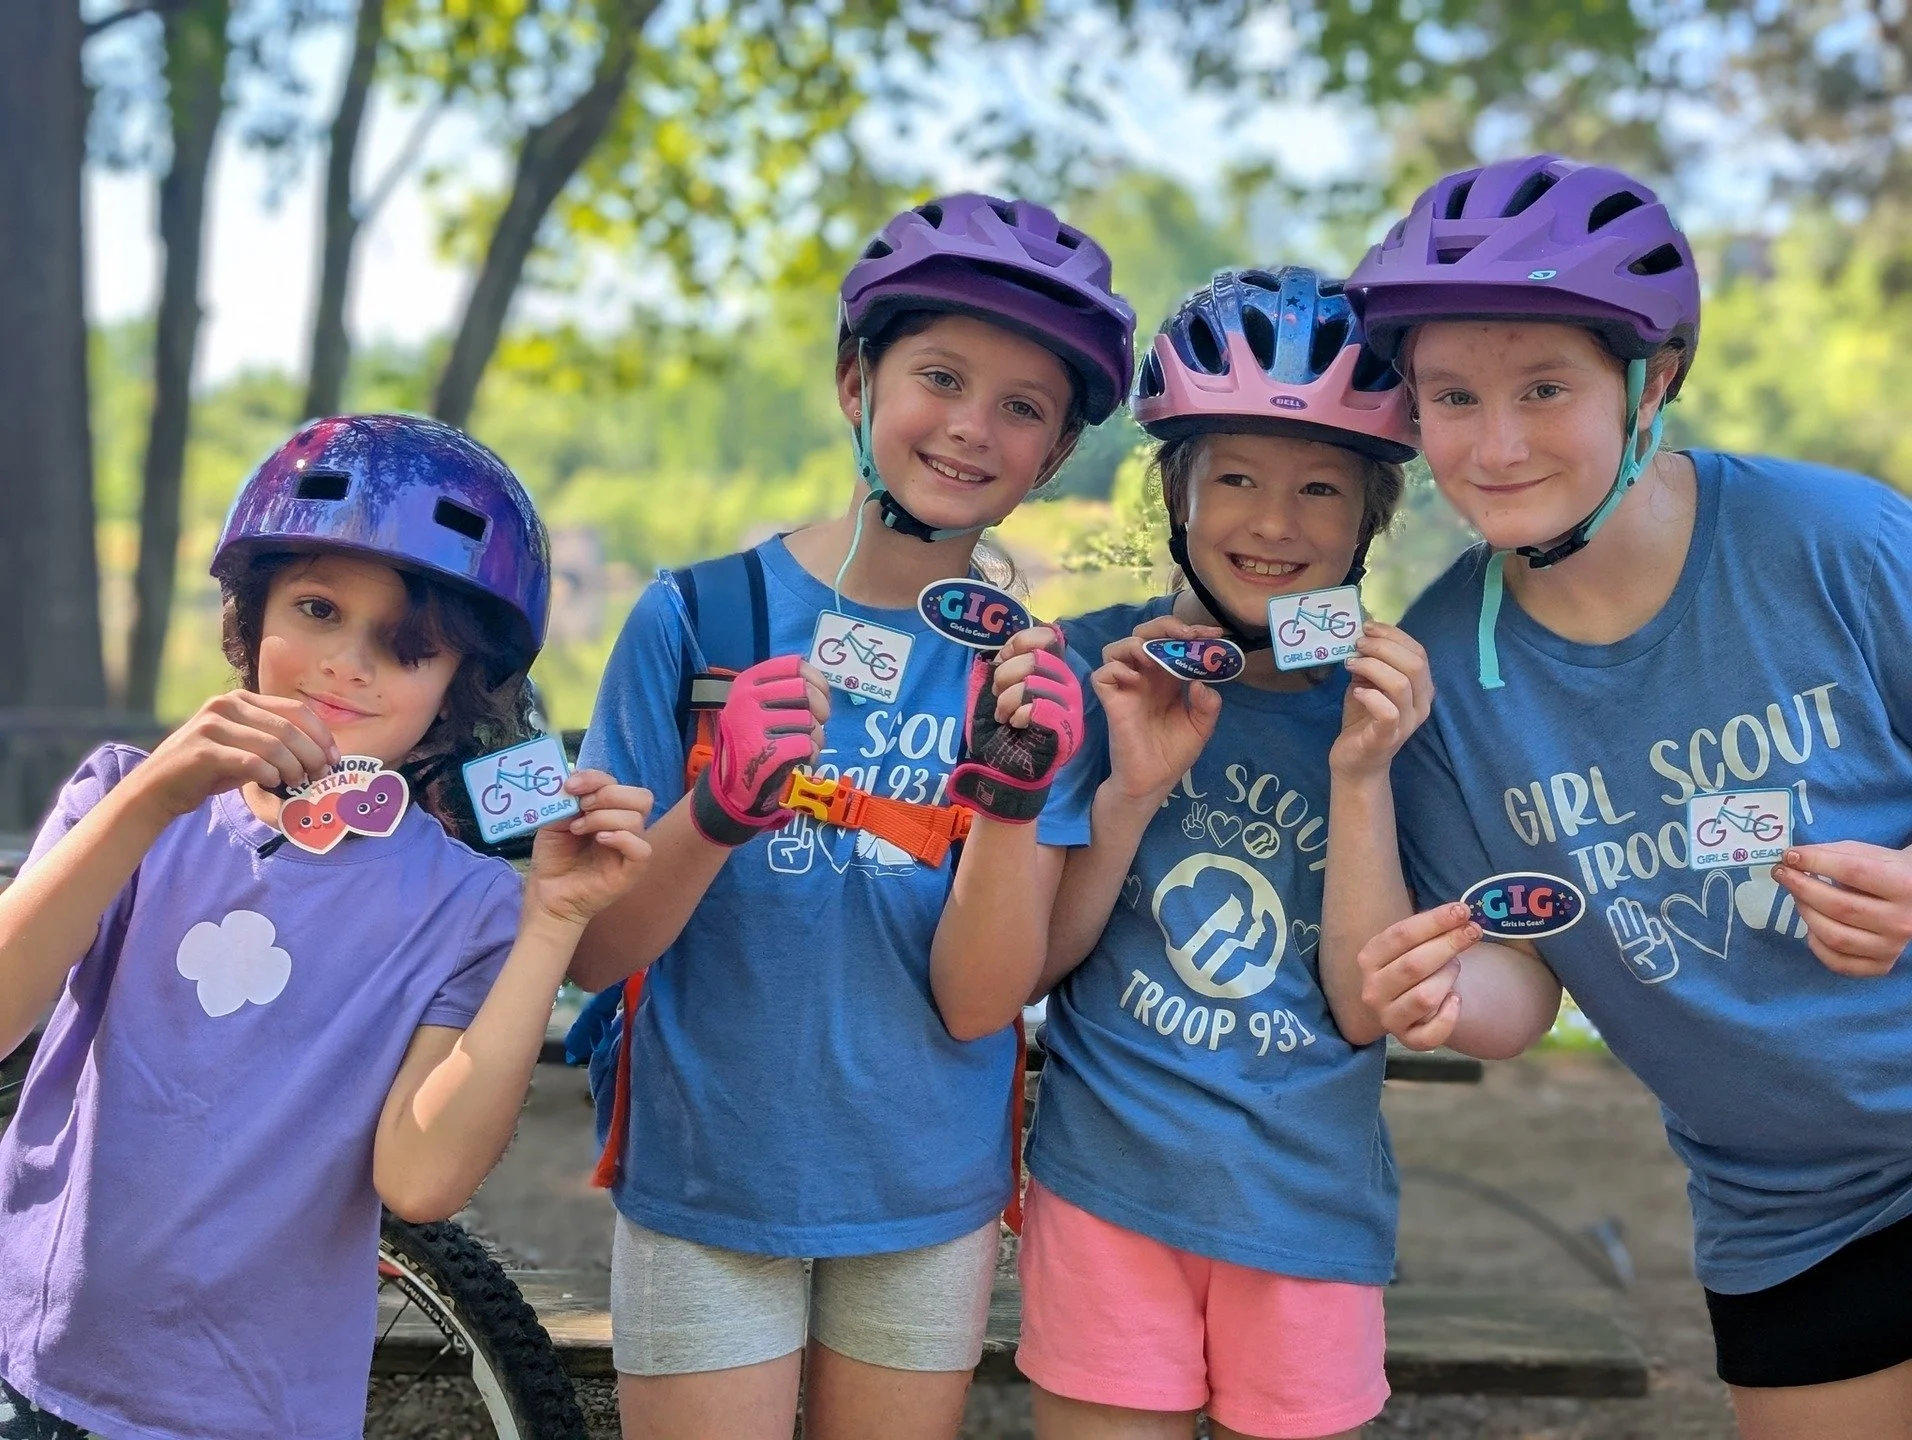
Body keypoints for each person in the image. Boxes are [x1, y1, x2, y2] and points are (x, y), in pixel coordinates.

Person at [1346, 154, 1912, 1438]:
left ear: (1647, 380)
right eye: (1451, 397)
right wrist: (1443, 993)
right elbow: (1523, 979)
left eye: (1545, 388)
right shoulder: (1446, 672)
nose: (1493, 446)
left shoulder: (1838, 545)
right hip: (1791, 1208)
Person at [567, 194, 1133, 1440]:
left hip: (926, 1196)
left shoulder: (1038, 681)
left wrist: (1008, 798)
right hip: (706, 1183)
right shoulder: (697, 620)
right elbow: (591, 950)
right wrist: (714, 813)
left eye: (1024, 407)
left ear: (1053, 456)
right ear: (853, 381)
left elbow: (986, 1003)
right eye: (940, 375)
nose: (972, 427)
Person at [0, 414, 653, 1440]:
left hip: (268, 1413)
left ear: (457, 689)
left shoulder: (473, 905)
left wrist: (551, 924)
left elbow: (423, 1179)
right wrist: (152, 800)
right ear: (247, 615)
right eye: (314, 607)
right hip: (35, 1375)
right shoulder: (125, 800)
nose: (347, 667)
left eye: (407, 647)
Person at [1018, 268, 1430, 1440]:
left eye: (1318, 489)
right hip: (1107, 1190)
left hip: (1305, 1208)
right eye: (1235, 478)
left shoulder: (1390, 708)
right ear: (1176, 495)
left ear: (1370, 520)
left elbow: (1364, 1010)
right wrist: (1133, 791)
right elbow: (1038, 963)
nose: (1273, 523)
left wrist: (1358, 771)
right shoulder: (1093, 669)